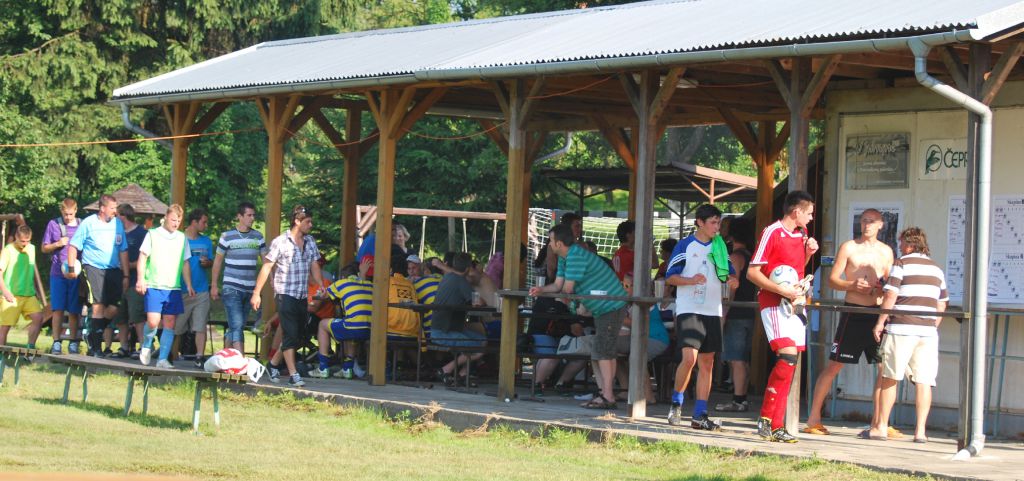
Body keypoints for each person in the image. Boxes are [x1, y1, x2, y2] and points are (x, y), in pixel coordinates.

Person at [803, 208, 895, 435]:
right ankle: (813, 417)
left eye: (872, 221)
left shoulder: (886, 251)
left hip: (877, 312)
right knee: (835, 364)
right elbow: (833, 279)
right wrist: (852, 285)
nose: (867, 225)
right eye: (864, 221)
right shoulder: (849, 247)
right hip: (853, 311)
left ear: (881, 224)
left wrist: (881, 287)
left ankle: (879, 422)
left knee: (884, 368)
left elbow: (891, 282)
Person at [747, 190, 819, 443]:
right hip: (774, 302)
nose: (811, 218)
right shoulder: (772, 232)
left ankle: (777, 426)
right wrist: (781, 291)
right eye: (809, 213)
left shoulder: (802, 235)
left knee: (791, 362)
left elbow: (794, 270)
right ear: (796, 211)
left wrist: (808, 253)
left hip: (795, 303)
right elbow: (753, 273)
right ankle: (766, 418)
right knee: (786, 355)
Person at [531, 223, 628, 410]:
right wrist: (541, 290)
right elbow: (558, 286)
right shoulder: (565, 257)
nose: (549, 244)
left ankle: (608, 396)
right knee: (600, 352)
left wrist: (572, 303)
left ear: (559, 243)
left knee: (603, 351)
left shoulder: (575, 256)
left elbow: (567, 289)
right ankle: (604, 394)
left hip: (611, 305)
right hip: (602, 308)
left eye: (551, 240)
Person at [868, 227, 947, 443]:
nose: (899, 246)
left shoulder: (901, 264)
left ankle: (881, 427)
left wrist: (880, 322)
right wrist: (932, 325)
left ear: (910, 244)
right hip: (927, 331)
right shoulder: (936, 269)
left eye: (901, 242)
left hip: (902, 327)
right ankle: (920, 432)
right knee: (924, 381)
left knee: (890, 377)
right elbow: (942, 303)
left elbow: (891, 295)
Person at [665, 204, 738, 429]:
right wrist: (690, 280)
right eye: (713, 222)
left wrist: (733, 281)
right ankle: (676, 403)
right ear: (700, 222)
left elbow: (730, 275)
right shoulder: (685, 245)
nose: (717, 227)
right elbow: (670, 277)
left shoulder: (720, 247)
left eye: (719, 223)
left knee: (707, 362)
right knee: (689, 359)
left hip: (713, 310)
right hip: (689, 308)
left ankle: (700, 414)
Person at [253, 205, 325, 387]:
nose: (311, 224)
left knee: (298, 335)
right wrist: (256, 293)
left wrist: (320, 284)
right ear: (297, 221)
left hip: (301, 295)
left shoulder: (310, 241)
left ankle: (273, 364)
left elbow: (314, 264)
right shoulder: (280, 242)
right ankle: (294, 375)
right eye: (308, 221)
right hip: (285, 294)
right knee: (291, 333)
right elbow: (267, 267)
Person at [67, 194, 129, 356]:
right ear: (102, 208)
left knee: (114, 307)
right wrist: (71, 268)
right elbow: (73, 246)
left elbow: (123, 249)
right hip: (93, 267)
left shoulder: (118, 224)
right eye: (112, 208)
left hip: (113, 270)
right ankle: (96, 348)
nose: (115, 211)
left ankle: (92, 333)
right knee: (98, 305)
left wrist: (126, 275)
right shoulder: (88, 223)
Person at [136, 205, 195, 368]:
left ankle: (162, 359)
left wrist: (189, 284)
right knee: (153, 321)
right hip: (154, 284)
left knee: (170, 323)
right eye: (173, 220)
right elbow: (142, 257)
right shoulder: (153, 234)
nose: (175, 223)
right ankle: (146, 344)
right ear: (166, 217)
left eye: (178, 221)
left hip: (173, 287)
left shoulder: (182, 238)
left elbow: (185, 262)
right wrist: (140, 279)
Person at [211, 202, 267, 352]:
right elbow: (217, 262)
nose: (252, 218)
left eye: (253, 215)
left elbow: (266, 262)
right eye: (249, 215)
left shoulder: (258, 237)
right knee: (237, 325)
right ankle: (240, 360)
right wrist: (214, 285)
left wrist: (273, 281)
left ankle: (224, 356)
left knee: (236, 326)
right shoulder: (227, 237)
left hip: (250, 289)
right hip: (231, 287)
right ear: (239, 216)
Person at [717, 218, 757, 413]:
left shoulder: (735, 257)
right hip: (749, 311)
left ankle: (738, 400)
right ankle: (742, 398)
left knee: (736, 358)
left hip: (736, 313)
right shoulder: (750, 256)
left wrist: (724, 313)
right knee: (742, 358)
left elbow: (731, 287)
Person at [432, 252, 487, 386]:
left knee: (482, 340)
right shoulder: (462, 282)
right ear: (468, 268)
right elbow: (479, 302)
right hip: (444, 332)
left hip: (441, 328)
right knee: (478, 348)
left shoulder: (448, 277)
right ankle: (445, 370)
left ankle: (463, 375)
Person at [613, 274, 670, 404]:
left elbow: (635, 323)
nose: (623, 288)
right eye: (622, 285)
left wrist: (613, 314)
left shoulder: (645, 301)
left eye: (627, 286)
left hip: (656, 339)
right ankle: (625, 389)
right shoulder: (630, 303)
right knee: (612, 352)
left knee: (637, 357)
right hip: (640, 338)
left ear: (637, 286)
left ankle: (649, 396)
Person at [42, 198, 82, 354]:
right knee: (57, 309)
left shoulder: (82, 225)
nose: (68, 217)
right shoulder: (53, 224)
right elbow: (44, 248)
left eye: (71, 214)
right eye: (65, 214)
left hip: (76, 275)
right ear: (61, 211)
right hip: (57, 274)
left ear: (76, 211)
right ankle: (56, 342)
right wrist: (57, 244)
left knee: (74, 310)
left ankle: (73, 342)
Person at [175, 208, 214, 367]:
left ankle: (199, 356)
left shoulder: (207, 241)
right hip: (181, 289)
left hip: (201, 289)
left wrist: (208, 263)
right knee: (177, 327)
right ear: (194, 222)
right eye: (204, 222)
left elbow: (211, 261)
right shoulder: (178, 239)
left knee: (200, 325)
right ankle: (171, 356)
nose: (206, 225)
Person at [322, 259, 373, 379]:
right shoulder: (370, 285)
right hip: (371, 329)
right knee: (349, 326)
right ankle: (347, 368)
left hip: (353, 326)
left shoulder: (342, 283)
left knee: (322, 324)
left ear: (343, 276)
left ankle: (322, 367)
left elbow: (323, 295)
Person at [109, 204, 147, 358]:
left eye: (116, 215)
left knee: (137, 315)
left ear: (123, 216)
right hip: (116, 280)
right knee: (120, 316)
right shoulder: (115, 233)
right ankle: (124, 346)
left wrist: (127, 265)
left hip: (135, 281)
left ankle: (143, 347)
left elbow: (146, 257)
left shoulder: (142, 233)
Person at [0, 225, 47, 348]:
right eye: (22, 241)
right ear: (16, 236)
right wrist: (5, 292)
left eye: (27, 241)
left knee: (38, 317)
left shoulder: (32, 249)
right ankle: (1, 354)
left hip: (28, 294)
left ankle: (30, 348)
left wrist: (35, 290)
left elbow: (28, 271)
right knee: (5, 326)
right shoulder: (8, 250)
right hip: (12, 294)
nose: (25, 244)